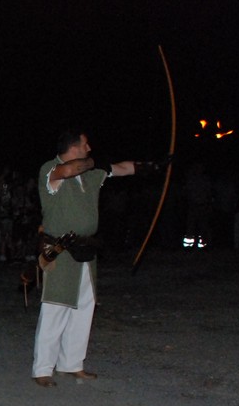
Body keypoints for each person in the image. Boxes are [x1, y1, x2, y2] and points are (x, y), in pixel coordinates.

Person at [31, 128, 157, 387]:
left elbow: (121, 168)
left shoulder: (90, 173)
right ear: (73, 147)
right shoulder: (50, 169)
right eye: (85, 144)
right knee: (56, 306)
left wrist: (151, 166)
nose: (89, 148)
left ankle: (72, 364)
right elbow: (68, 170)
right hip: (60, 250)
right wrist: (93, 162)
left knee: (83, 308)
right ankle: (43, 368)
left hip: (86, 249)